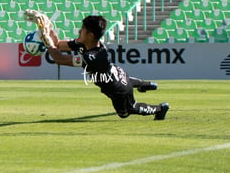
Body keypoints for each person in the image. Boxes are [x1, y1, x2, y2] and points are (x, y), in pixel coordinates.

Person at [25, 10, 169, 120]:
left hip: (118, 89)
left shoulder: (95, 57)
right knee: (122, 78)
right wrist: (47, 27)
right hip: (116, 73)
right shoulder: (84, 42)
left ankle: (159, 109)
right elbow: (59, 45)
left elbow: (60, 59)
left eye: (83, 29)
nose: (79, 31)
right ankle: (146, 84)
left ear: (91, 35)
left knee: (126, 111)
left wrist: (46, 40)